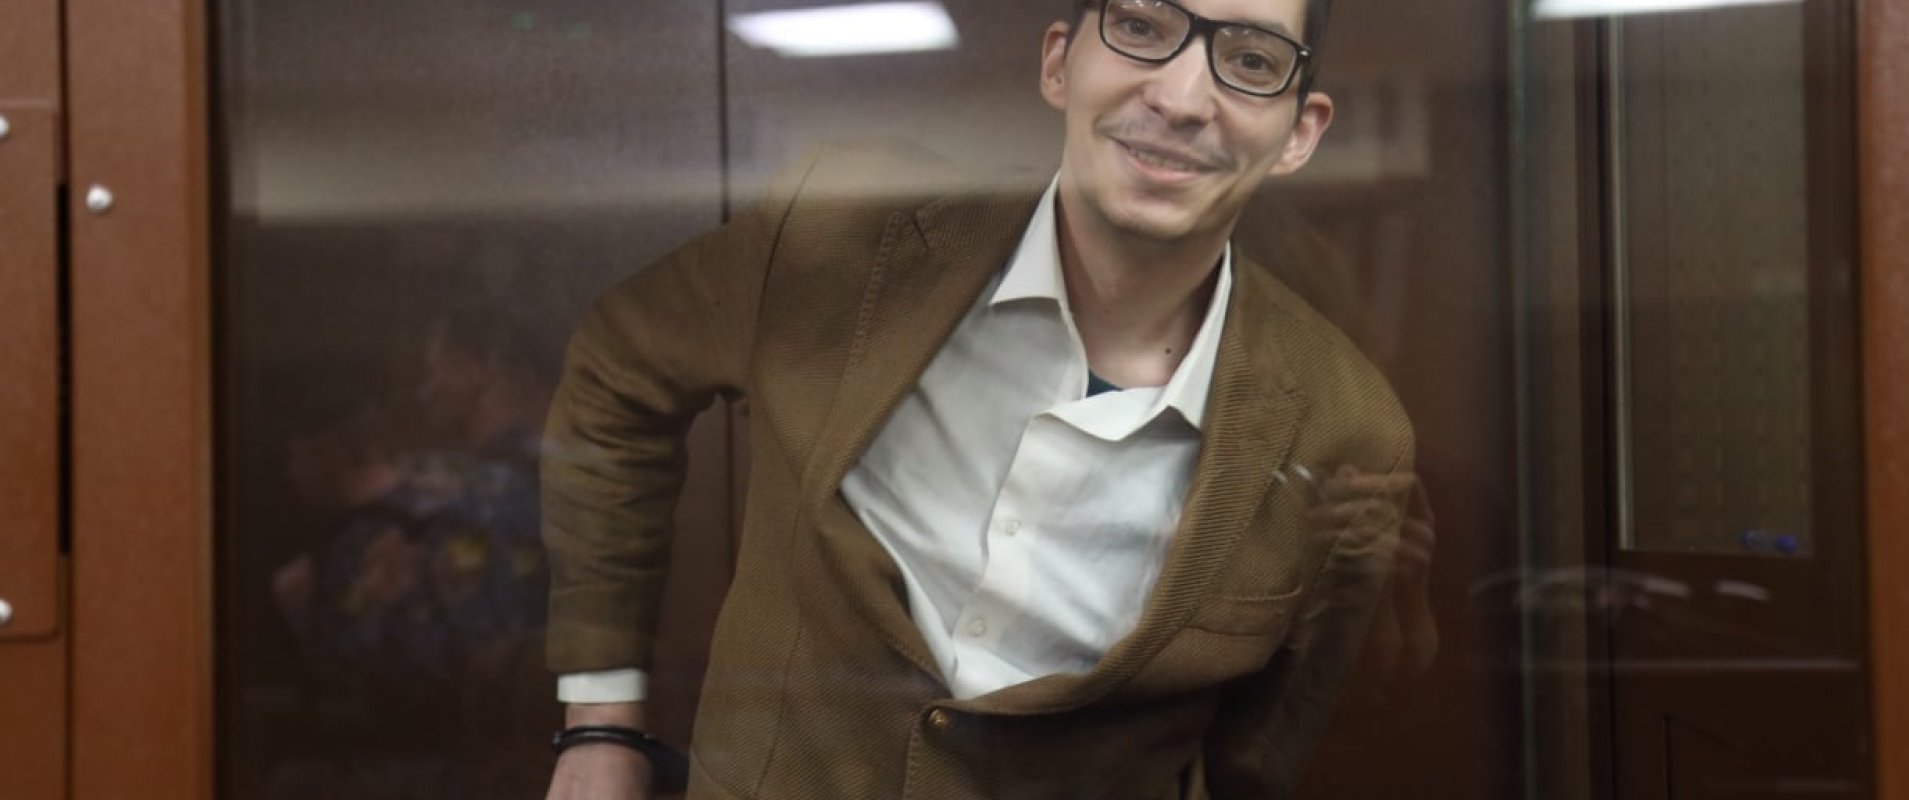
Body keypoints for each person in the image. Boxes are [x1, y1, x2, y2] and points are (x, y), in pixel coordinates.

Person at [542, 0, 1424, 797]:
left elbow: (1272, 750)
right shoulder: (844, 245)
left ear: (1299, 133)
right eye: (1142, 27)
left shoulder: (1345, 429)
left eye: (1252, 61)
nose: (1183, 97)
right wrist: (598, 717)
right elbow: (619, 369)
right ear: (1059, 63)